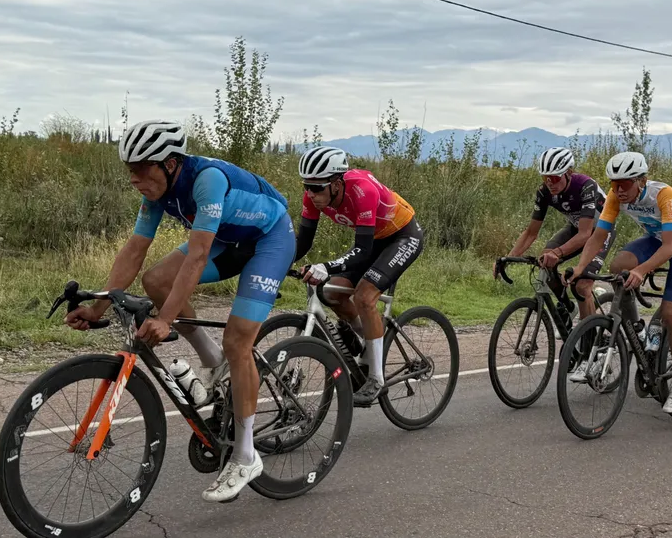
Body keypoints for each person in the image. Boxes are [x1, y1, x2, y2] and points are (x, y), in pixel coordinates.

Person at [63, 120, 296, 504]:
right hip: (230, 239)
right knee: (156, 281)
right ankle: (213, 361)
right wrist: (97, 305)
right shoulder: (156, 193)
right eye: (130, 170)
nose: (134, 178)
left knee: (239, 340)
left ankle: (246, 454)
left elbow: (198, 254)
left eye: (141, 168)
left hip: (270, 239)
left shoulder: (207, 181)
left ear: (170, 163)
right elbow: (135, 250)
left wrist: (166, 319)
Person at [566, 151, 672, 414]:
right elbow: (597, 237)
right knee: (618, 267)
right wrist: (580, 269)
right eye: (614, 184)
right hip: (655, 238)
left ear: (642, 180)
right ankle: (638, 327)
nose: (618, 190)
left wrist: (641, 270)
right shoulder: (615, 197)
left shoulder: (664, 195)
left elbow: (670, 247)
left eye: (625, 184)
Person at [293, 146, 425, 405]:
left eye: (317, 188)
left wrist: (327, 267)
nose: (311, 194)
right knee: (330, 292)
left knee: (365, 297)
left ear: (336, 183)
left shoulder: (362, 191)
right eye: (306, 186)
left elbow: (362, 251)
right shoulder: (312, 197)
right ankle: (364, 338)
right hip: (374, 239)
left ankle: (376, 379)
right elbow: (303, 243)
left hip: (402, 236)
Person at [495, 146, 616, 382]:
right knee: (545, 259)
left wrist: (559, 253)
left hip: (599, 231)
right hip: (577, 227)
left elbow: (585, 234)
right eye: (545, 178)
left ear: (569, 172)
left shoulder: (586, 186)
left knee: (581, 286)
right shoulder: (544, 192)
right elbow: (531, 233)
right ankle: (566, 306)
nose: (550, 183)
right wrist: (507, 258)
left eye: (554, 178)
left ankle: (590, 352)